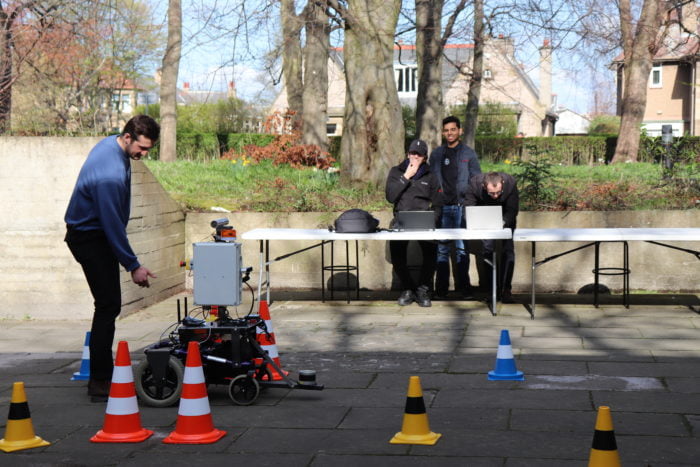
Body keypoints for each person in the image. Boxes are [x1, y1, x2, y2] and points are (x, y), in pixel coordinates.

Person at [64, 115, 160, 401]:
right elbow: (111, 225)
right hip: (89, 237)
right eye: (141, 148)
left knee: (108, 305)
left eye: (148, 150)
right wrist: (133, 265)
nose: (143, 155)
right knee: (107, 306)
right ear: (128, 137)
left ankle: (102, 376)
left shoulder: (110, 145)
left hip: (93, 233)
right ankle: (100, 382)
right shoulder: (110, 175)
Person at [429, 115, 482, 299]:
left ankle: (464, 288)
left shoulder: (469, 153)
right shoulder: (436, 154)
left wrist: (471, 201)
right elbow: (431, 180)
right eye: (446, 130)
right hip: (442, 207)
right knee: (442, 249)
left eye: (453, 129)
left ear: (460, 131)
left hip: (461, 208)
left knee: (461, 248)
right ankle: (441, 290)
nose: (449, 133)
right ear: (443, 133)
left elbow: (477, 179)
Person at [385, 139, 441, 307]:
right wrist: (406, 177)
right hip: (401, 220)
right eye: (412, 153)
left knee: (431, 252)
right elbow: (390, 197)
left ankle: (423, 289)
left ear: (424, 157)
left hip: (424, 220)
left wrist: (434, 220)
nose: (415, 157)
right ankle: (408, 288)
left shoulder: (431, 176)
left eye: (419, 154)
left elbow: (438, 203)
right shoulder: (396, 172)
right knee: (397, 252)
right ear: (408, 154)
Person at [464, 171, 519, 303]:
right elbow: (468, 208)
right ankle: (492, 289)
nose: (495, 196)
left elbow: (513, 209)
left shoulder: (510, 183)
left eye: (498, 192)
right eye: (491, 193)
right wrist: (475, 222)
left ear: (503, 184)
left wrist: (503, 222)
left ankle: (506, 289)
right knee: (487, 250)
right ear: (484, 186)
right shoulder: (474, 184)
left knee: (508, 250)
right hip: (485, 216)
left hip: (505, 216)